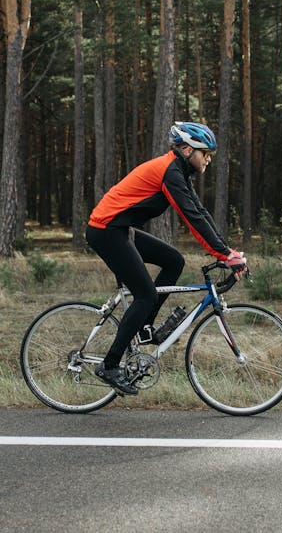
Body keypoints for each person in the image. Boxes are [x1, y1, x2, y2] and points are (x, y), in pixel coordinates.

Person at [85, 121, 248, 395]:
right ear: (186, 150)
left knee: (174, 261)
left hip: (120, 229)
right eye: (205, 153)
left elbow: (200, 211)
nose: (208, 159)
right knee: (145, 294)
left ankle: (145, 327)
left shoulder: (178, 172)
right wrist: (224, 254)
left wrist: (227, 251)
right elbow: (191, 218)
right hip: (106, 230)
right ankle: (110, 365)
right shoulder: (170, 172)